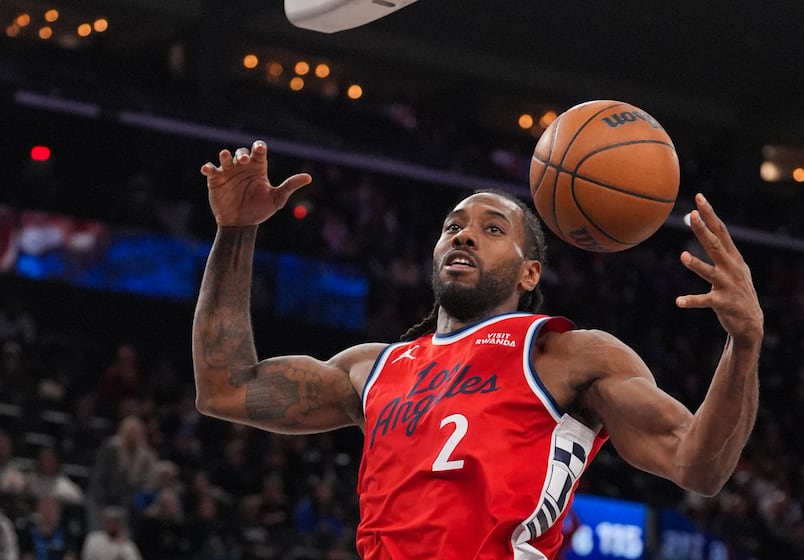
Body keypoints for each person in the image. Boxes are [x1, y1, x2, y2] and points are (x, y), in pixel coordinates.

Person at [192, 141, 763, 559]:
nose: (463, 235)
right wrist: (236, 231)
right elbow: (226, 388)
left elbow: (698, 464)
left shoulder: (564, 356)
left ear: (529, 271)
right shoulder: (374, 368)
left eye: (492, 230)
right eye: (453, 225)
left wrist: (743, 343)